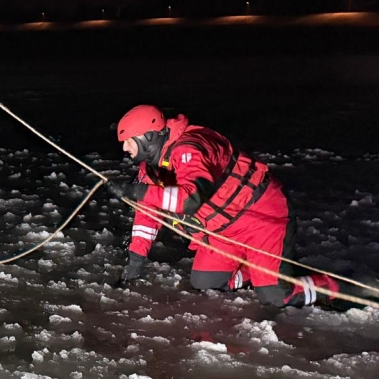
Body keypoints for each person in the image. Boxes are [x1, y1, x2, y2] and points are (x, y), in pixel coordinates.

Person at [109, 104, 339, 308]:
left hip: (261, 218)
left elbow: (191, 199)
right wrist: (136, 260)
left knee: (275, 296)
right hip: (223, 231)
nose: (125, 149)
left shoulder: (190, 148)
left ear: (148, 137)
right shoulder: (151, 167)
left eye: (129, 141)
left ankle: (334, 287)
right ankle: (261, 270)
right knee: (206, 282)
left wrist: (135, 191)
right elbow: (148, 212)